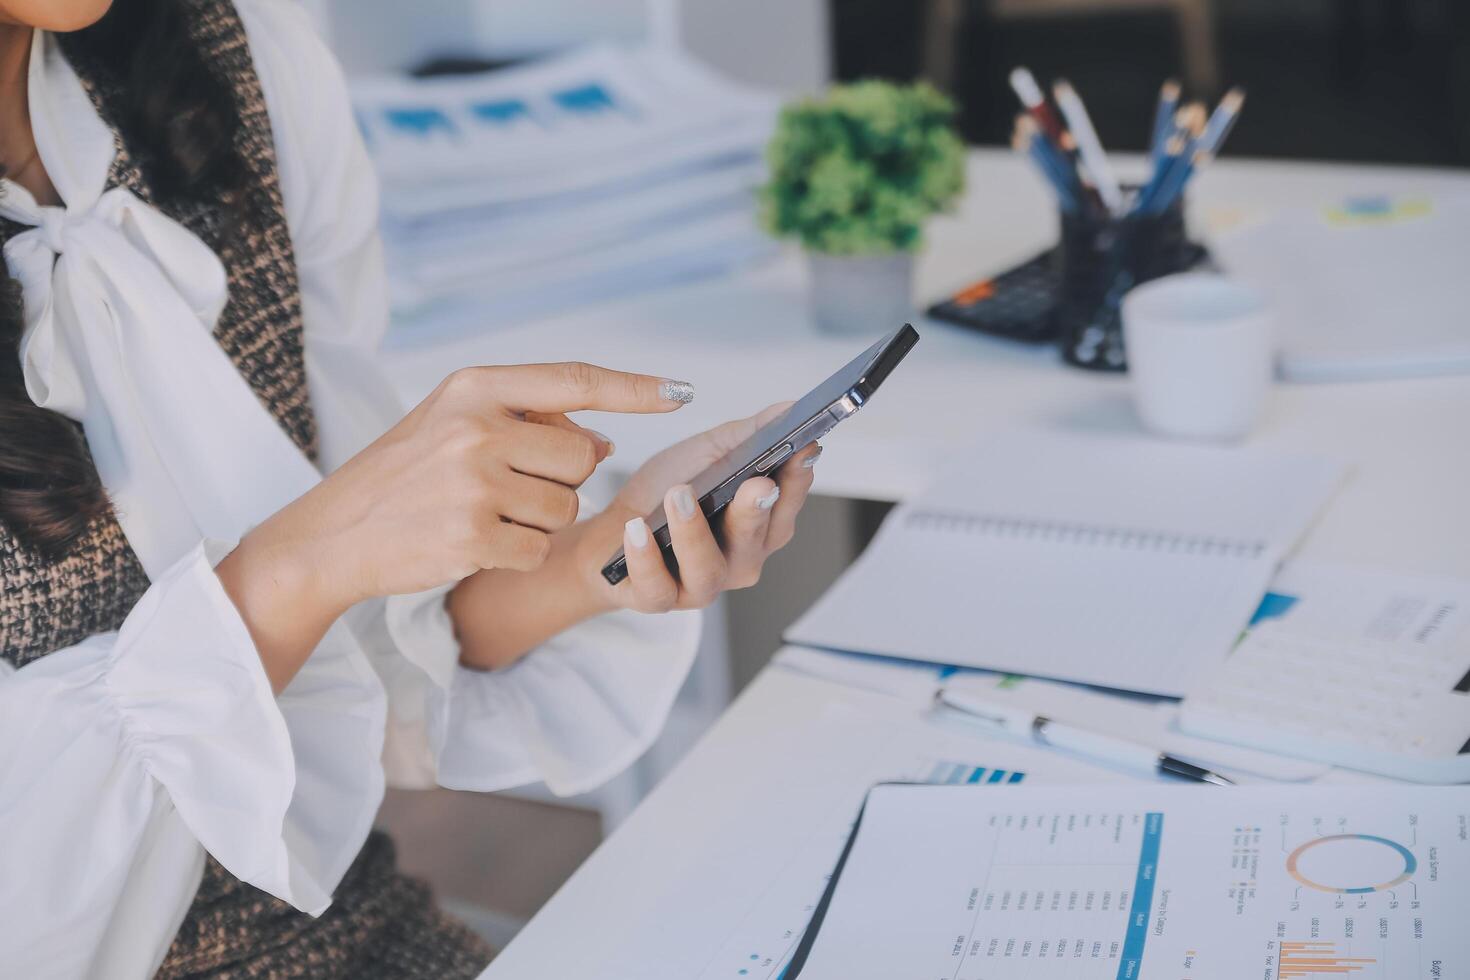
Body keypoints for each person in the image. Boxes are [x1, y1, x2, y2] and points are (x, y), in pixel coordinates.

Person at [0, 1, 820, 976]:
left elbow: (378, 660)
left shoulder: (234, 67)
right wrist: (303, 560)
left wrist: (596, 555)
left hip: (343, 932)